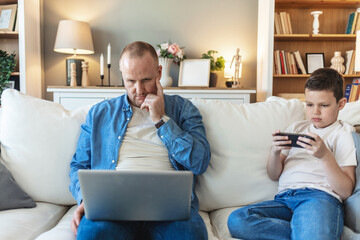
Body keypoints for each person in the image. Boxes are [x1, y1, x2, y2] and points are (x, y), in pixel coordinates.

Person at [69, 41, 211, 240]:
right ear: (122, 76)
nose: (139, 90)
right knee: (92, 235)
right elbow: (79, 164)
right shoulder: (100, 113)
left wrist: (161, 120)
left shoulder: (183, 109)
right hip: (112, 208)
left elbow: (199, 162)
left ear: (159, 72)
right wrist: (85, 199)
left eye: (146, 79)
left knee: (191, 236)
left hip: (171, 213)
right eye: (130, 81)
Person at [227, 68, 357, 240]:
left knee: (314, 232)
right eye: (309, 104)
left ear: (340, 104)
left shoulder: (343, 133)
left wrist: (325, 156)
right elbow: (273, 175)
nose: (315, 112)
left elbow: (346, 190)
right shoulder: (297, 128)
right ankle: (306, 232)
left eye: (323, 105)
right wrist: (274, 151)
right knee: (238, 220)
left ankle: (311, 231)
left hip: (318, 198)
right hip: (285, 199)